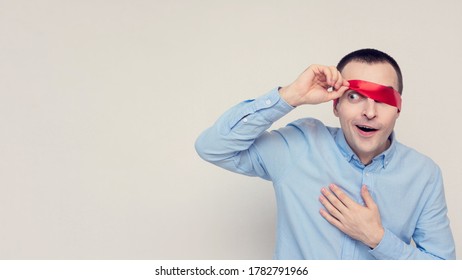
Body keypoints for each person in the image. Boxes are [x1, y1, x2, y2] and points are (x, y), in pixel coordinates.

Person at [195, 48, 456, 260]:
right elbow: (213, 147)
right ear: (336, 105)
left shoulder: (424, 175)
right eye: (355, 96)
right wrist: (290, 96)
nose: (369, 112)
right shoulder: (299, 145)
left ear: (398, 109)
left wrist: (377, 238)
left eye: (383, 100)